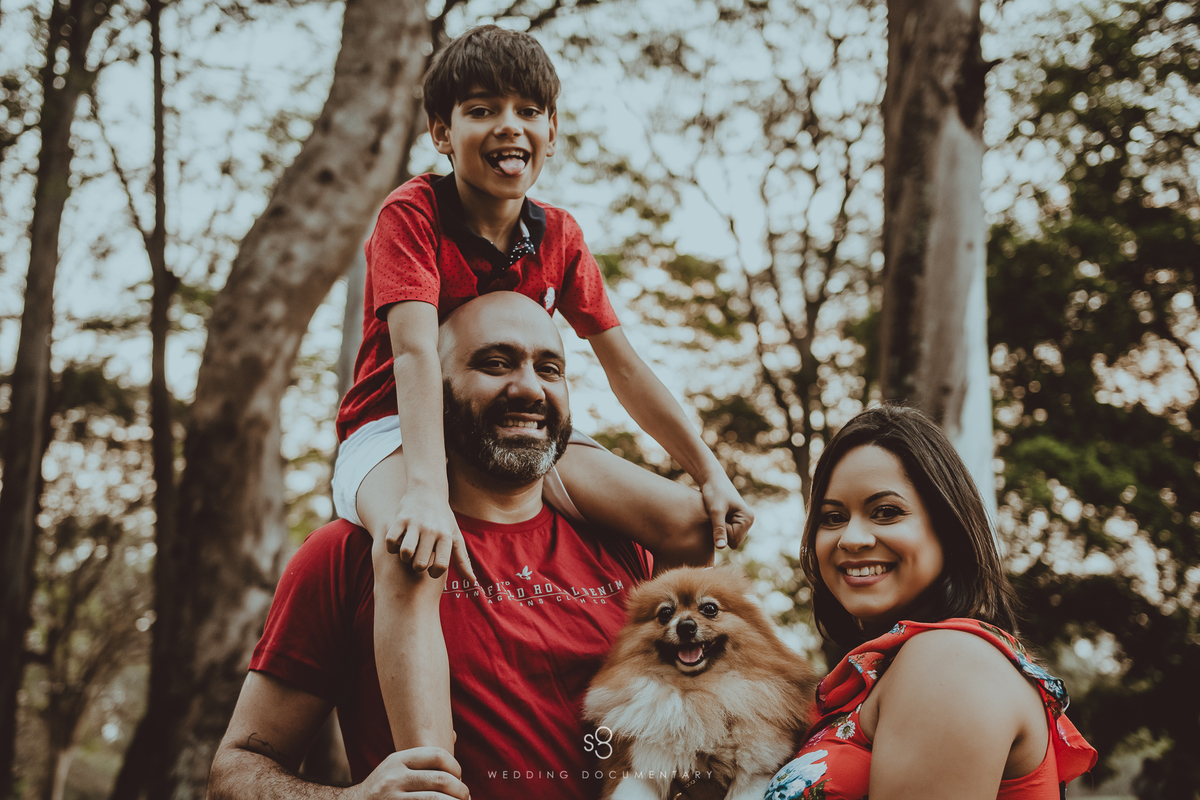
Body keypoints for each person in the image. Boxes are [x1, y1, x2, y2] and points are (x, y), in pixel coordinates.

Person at [331, 24, 751, 755]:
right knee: (409, 547)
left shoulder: (557, 233)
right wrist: (427, 491)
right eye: (483, 109)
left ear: (551, 133)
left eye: (529, 110)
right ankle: (432, 771)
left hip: (520, 432)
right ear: (442, 131)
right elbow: (414, 356)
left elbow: (622, 363)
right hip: (395, 428)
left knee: (691, 526)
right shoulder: (413, 215)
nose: (509, 126)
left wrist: (709, 471)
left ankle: (672, 736)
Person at [208, 292, 716, 800]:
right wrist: (349, 799)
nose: (529, 388)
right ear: (431, 389)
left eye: (549, 368)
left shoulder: (633, 553)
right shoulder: (348, 554)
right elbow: (235, 771)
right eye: (495, 364)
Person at [766, 405, 1097, 800]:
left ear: (948, 526)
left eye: (885, 512)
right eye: (832, 517)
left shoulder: (949, 660)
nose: (851, 539)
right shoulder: (892, 671)